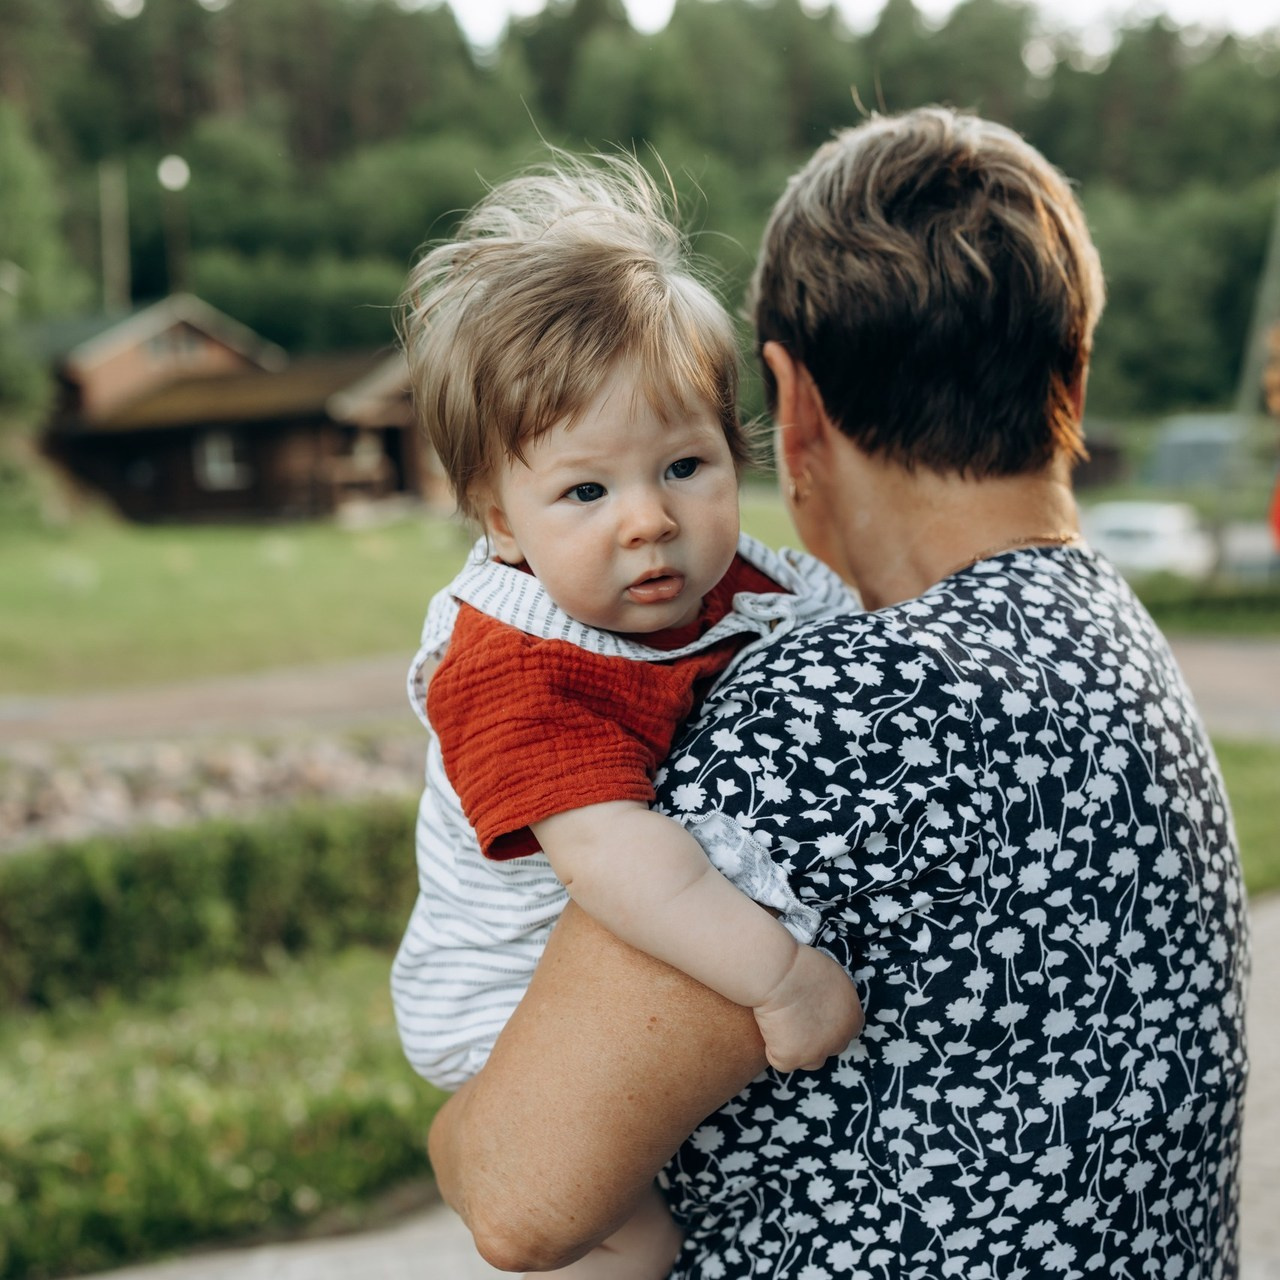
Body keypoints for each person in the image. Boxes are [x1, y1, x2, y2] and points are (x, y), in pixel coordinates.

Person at [424, 107, 1251, 1280]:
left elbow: (521, 1199)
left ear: (790, 400)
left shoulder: (840, 708)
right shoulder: (1112, 638)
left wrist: (453, 1138)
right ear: (1067, 365)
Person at [390, 155, 863, 1280]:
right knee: (630, 1235)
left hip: (607, 952)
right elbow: (614, 859)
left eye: (685, 465)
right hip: (500, 995)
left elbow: (843, 631)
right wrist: (779, 976)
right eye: (586, 491)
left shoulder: (734, 579)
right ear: (500, 522)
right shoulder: (513, 664)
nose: (647, 520)